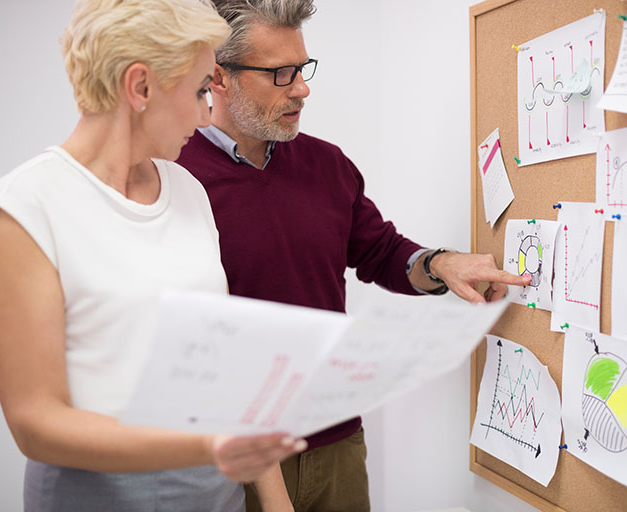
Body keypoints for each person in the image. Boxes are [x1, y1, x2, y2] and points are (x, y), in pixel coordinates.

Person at [175, 1, 532, 509]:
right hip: (225, 454)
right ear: (218, 77)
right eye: (281, 74)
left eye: (302, 69)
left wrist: (441, 263)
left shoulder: (327, 164)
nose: (302, 88)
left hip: (335, 441)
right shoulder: (171, 174)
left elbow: (382, 253)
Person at [0, 0, 305, 510]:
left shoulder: (189, 190)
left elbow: (223, 366)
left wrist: (276, 501)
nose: (204, 113)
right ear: (140, 87)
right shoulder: (28, 207)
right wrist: (206, 446)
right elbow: (35, 424)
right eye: (198, 91)